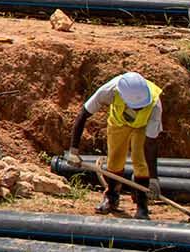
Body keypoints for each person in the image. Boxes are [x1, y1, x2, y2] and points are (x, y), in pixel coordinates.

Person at [64, 71, 164, 220]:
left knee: (140, 160)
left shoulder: (154, 104)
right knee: (115, 159)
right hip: (118, 123)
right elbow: (83, 115)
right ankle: (111, 197)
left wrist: (154, 178)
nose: (138, 110)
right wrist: (73, 150)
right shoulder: (108, 91)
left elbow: (150, 144)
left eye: (141, 106)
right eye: (135, 107)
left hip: (142, 126)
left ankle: (142, 205)